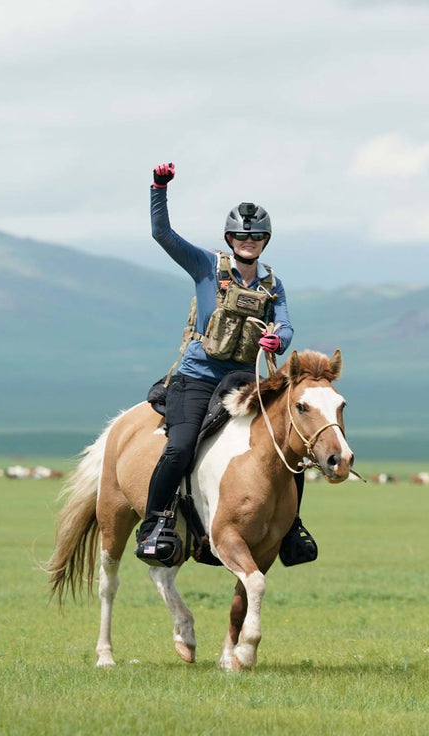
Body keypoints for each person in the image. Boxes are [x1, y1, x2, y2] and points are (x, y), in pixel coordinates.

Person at [135, 162, 317, 567]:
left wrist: (278, 339)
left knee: (291, 448)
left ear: (265, 241)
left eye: (255, 237)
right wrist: (158, 189)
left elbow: (285, 324)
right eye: (240, 235)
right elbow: (161, 234)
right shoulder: (205, 266)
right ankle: (153, 524)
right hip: (198, 378)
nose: (247, 241)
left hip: (244, 379)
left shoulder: (272, 283)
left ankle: (290, 530)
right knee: (180, 447)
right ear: (229, 238)